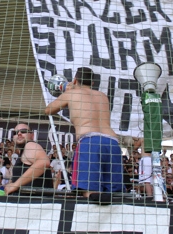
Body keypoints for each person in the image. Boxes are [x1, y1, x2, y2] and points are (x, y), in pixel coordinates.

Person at [44, 67, 124, 197]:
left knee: (89, 191)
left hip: (90, 141)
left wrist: (68, 91)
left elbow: (48, 110)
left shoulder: (71, 94)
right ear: (92, 83)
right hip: (112, 142)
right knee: (114, 193)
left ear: (75, 80)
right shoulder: (103, 96)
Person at [3, 124, 53, 195]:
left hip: (34, 202)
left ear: (32, 135)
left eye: (23, 131)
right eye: (15, 133)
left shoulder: (30, 145)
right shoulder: (23, 151)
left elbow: (44, 162)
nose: (19, 134)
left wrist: (15, 185)